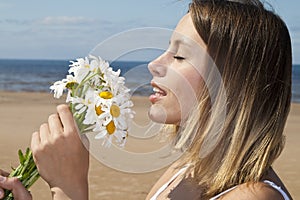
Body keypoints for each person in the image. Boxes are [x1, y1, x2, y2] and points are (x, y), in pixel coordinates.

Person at [0, 0, 293, 199]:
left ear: (230, 81)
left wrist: (68, 187)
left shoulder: (253, 195)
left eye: (179, 55)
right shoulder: (187, 170)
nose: (154, 63)